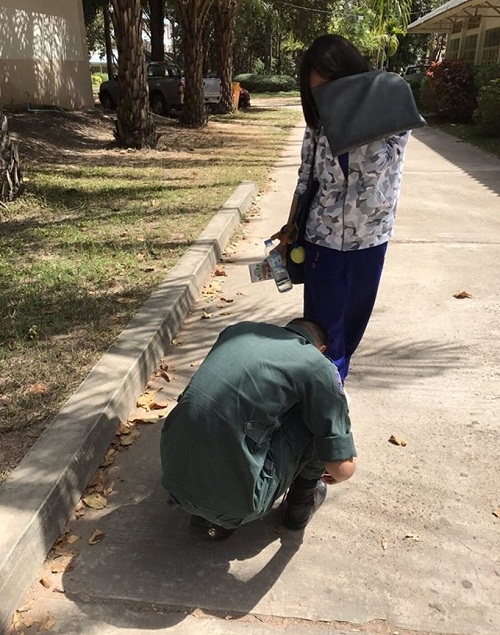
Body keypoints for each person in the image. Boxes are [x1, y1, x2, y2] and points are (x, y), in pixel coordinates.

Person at [273, 34, 411, 382]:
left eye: (333, 89)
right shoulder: (317, 124)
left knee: (350, 331)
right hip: (322, 240)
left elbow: (380, 167)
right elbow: (305, 177)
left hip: (370, 241)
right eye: (318, 93)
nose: (327, 100)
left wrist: (354, 121)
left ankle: (333, 385)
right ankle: (328, 394)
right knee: (322, 332)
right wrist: (290, 229)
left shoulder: (393, 110)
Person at [160, 318, 356, 540]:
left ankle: (207, 509)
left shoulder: (237, 331)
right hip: (241, 503)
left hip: (173, 479)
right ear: (321, 350)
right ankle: (300, 505)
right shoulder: (318, 364)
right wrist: (336, 462)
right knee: (320, 412)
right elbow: (342, 470)